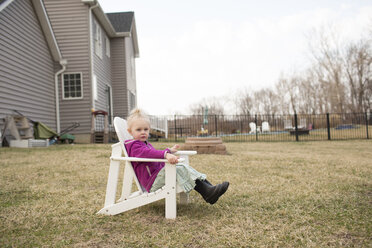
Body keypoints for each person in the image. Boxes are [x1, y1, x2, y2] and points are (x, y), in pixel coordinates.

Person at [124, 108, 229, 205]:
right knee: (180, 169)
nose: (143, 132)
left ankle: (209, 189)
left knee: (182, 167)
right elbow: (148, 154)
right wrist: (166, 154)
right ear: (130, 131)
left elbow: (152, 153)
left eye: (145, 129)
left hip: (156, 177)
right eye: (138, 130)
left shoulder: (144, 144)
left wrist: (168, 151)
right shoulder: (134, 146)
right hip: (151, 182)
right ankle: (208, 192)